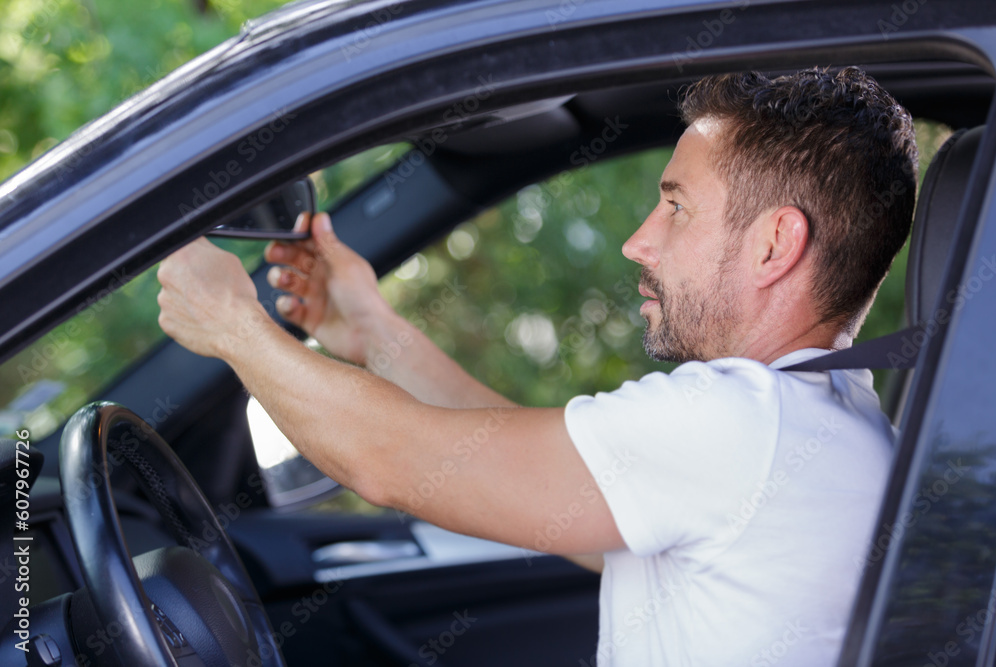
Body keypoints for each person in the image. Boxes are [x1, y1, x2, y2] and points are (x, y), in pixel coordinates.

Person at [157, 66, 918, 666]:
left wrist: (233, 325)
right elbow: (513, 464)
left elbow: (394, 461)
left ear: (774, 245)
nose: (638, 241)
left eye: (677, 207)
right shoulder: (825, 416)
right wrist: (370, 331)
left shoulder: (745, 421)